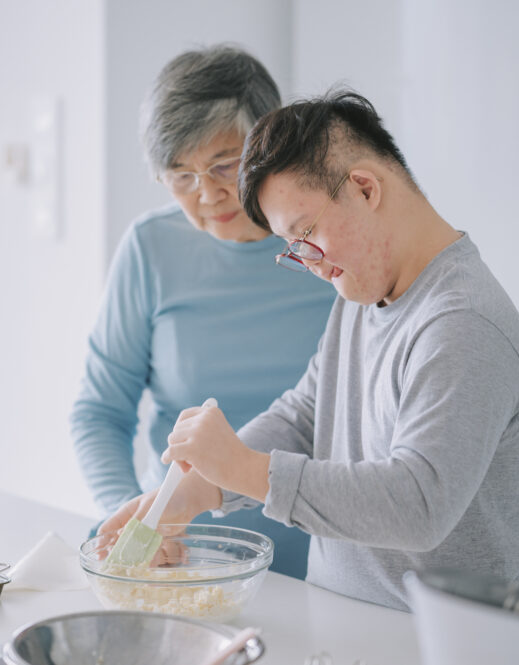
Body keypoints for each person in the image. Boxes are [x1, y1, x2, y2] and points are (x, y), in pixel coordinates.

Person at [99, 90, 519, 610]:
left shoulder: (463, 322)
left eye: (306, 232)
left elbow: (418, 504)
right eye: (293, 246)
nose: (307, 261)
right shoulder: (363, 287)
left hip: (444, 644)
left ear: (363, 188)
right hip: (351, 624)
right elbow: (307, 414)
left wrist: (244, 468)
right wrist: (200, 490)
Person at [70, 45, 336, 580]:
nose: (207, 194)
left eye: (222, 165)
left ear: (270, 141)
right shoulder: (151, 247)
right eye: (181, 176)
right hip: (184, 555)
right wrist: (134, 516)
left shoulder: (331, 246)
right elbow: (100, 412)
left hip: (324, 558)